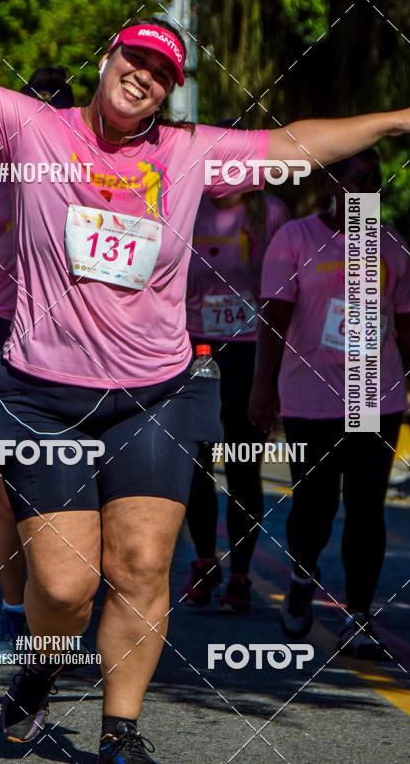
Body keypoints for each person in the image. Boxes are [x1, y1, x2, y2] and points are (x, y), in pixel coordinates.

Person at [0, 0, 410, 762]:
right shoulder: (32, 129)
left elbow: (295, 144)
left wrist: (391, 119)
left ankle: (119, 730)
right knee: (65, 586)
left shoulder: (190, 151)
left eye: (162, 73)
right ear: (108, 58)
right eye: (135, 59)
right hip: (41, 395)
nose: (144, 77)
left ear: (168, 90)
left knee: (139, 564)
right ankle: (40, 666)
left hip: (158, 393)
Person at [249, 149, 410, 660]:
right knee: (314, 506)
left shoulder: (390, 245)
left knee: (365, 506)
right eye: (358, 180)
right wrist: (261, 388)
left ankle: (358, 614)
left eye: (376, 182)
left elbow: (405, 328)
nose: (368, 190)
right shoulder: (296, 239)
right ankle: (301, 574)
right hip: (310, 396)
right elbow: (273, 320)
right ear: (332, 183)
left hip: (375, 394)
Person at [0, 67, 75, 663]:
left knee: (83, 494)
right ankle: (12, 614)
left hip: (85, 347)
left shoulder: (100, 182)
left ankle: (63, 617)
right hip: (6, 343)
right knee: (8, 492)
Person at [182, 184, 290, 614]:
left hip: (252, 353)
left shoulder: (273, 214)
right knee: (195, 463)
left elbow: (283, 297)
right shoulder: (185, 206)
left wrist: (274, 378)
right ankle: (206, 562)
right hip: (195, 349)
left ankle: (241, 574)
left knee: (244, 466)